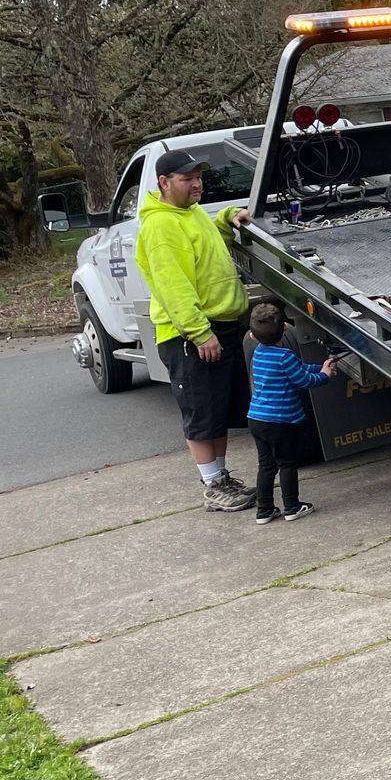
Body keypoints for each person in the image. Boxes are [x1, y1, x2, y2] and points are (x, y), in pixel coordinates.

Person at [135, 150, 256, 511]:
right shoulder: (161, 226)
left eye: (198, 177)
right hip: (190, 335)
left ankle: (222, 479)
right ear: (164, 183)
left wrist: (228, 217)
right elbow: (173, 286)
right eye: (186, 178)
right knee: (201, 412)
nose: (196, 184)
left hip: (219, 325)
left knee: (218, 410)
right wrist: (199, 333)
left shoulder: (192, 213)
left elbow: (211, 244)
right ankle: (213, 486)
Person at [244, 301, 336, 524]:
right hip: (281, 421)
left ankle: (264, 510)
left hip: (257, 418)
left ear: (253, 336)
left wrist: (320, 367)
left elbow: (298, 369)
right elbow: (303, 380)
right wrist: (325, 375)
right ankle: (292, 507)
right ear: (285, 328)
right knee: (286, 463)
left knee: (266, 465)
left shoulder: (258, 353)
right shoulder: (285, 356)